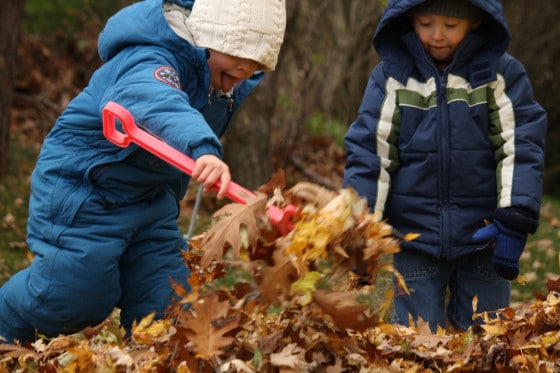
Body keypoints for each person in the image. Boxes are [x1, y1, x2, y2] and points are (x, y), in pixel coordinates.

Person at [0, 0, 286, 344]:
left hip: (152, 201)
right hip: (86, 191)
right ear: (205, 38)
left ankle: (143, 360)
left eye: (247, 75)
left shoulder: (221, 73)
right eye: (230, 74)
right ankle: (7, 315)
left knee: (167, 305)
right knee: (71, 299)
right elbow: (157, 101)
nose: (230, 87)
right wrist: (202, 147)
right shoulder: (151, 58)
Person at [343, 0, 546, 332]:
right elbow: (370, 151)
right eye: (425, 23)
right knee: (417, 341)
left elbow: (520, 143)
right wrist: (360, 222)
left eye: (451, 26)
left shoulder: (500, 75)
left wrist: (515, 216)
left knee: (486, 339)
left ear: (476, 22)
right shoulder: (393, 76)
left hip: (486, 238)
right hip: (415, 237)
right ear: (409, 19)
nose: (437, 35)